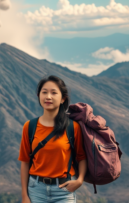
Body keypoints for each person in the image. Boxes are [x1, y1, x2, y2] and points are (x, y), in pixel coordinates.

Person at [18, 75, 88, 203]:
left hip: (64, 191)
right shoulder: (30, 126)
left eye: (54, 93)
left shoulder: (72, 127)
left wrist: (79, 180)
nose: (48, 97)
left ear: (63, 99)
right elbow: (25, 162)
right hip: (36, 190)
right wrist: (24, 195)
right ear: (39, 96)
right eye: (44, 92)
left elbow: (81, 157)